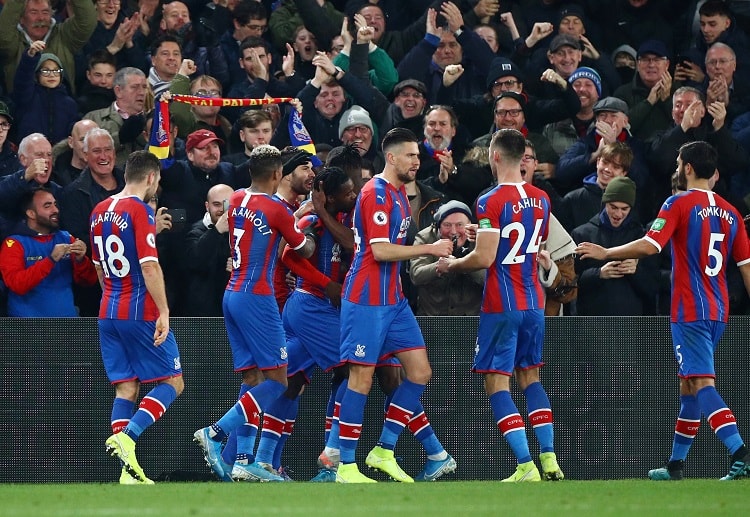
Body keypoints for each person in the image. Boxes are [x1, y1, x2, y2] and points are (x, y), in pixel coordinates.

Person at [575, 140, 750, 481]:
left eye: (678, 163)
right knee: (688, 386)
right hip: (718, 309)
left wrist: (606, 253)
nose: (675, 169)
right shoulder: (731, 213)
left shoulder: (678, 203)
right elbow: (746, 268)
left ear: (687, 168)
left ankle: (740, 453)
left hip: (690, 309)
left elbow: (651, 245)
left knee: (700, 382)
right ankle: (675, 465)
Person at [436, 128, 564, 483]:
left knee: (497, 383)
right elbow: (523, 241)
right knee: (532, 377)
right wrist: (488, 233)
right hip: (534, 301)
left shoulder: (489, 200)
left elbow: (485, 257)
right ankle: (550, 459)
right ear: (523, 157)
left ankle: (525, 466)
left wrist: (453, 264)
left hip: (501, 301)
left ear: (494, 156)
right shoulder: (542, 198)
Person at [335, 127, 454, 483]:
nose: (417, 161)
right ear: (391, 157)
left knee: (419, 373)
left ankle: (384, 449)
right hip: (367, 297)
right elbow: (380, 250)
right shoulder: (375, 193)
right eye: (411, 155)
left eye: (418, 156)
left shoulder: (401, 194)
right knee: (361, 378)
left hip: (394, 299)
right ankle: (345, 466)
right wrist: (430, 250)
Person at [193, 144, 315, 482]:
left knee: (252, 379)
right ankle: (216, 433)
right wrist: (308, 219)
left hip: (231, 293)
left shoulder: (234, 201)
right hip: (258, 297)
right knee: (278, 381)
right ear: (277, 175)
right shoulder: (276, 209)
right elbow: (303, 248)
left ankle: (244, 460)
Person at [92, 150, 185, 485]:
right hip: (138, 309)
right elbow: (148, 265)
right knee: (173, 381)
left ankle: (126, 473)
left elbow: (99, 267)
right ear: (150, 177)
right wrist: (163, 310)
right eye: (157, 179)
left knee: (126, 388)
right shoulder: (140, 211)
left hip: (108, 309)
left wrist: (112, 296)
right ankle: (127, 437)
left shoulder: (99, 210)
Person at [0, 188, 96, 316]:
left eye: (55, 205)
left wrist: (81, 260)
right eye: (47, 206)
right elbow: (17, 285)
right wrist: (50, 260)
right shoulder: (13, 244)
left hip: (68, 324)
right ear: (31, 213)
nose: (55, 210)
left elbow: (88, 281)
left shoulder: (66, 238)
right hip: (28, 329)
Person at [571, 176, 658, 316]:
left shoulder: (642, 238)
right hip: (590, 322)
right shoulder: (582, 235)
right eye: (613, 207)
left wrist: (636, 272)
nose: (618, 214)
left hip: (628, 324)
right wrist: (598, 274)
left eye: (624, 209)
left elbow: (653, 287)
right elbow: (569, 283)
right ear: (605, 203)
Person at [0, 0, 97, 95]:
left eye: (45, 12)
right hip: (22, 108)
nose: (41, 18)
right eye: (34, 12)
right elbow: (4, 30)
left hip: (62, 106)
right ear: (21, 18)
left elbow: (87, 21)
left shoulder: (64, 36)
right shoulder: (13, 42)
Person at [409, 200, 484, 316]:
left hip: (471, 317)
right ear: (438, 226)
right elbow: (416, 274)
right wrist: (438, 267)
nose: (453, 231)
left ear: (470, 225)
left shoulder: (482, 239)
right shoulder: (426, 238)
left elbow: (488, 279)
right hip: (432, 316)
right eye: (447, 225)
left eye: (460, 225)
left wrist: (461, 265)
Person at [184, 183, 234, 316]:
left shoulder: (242, 231)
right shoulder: (196, 230)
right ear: (207, 206)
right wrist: (217, 231)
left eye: (226, 204)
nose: (222, 210)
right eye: (216, 204)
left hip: (233, 307)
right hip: (204, 311)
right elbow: (195, 260)